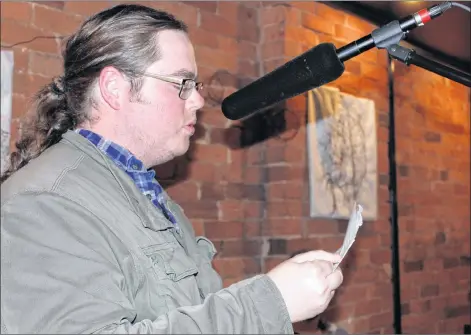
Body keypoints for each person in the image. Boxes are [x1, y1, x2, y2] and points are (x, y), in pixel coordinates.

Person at [0, 4, 343, 334]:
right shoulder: (45, 202)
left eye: (195, 86)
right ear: (114, 88)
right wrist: (270, 302)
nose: (196, 100)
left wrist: (280, 296)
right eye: (182, 84)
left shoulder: (141, 191)